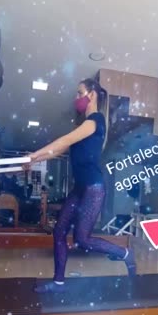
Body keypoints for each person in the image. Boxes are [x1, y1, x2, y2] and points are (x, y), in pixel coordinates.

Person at [27, 78, 136, 292]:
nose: (76, 98)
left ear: (92, 94)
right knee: (59, 231)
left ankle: (125, 253)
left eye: (80, 93)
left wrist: (34, 155)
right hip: (79, 188)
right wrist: (34, 159)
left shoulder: (95, 121)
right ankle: (58, 282)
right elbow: (58, 150)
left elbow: (64, 140)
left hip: (94, 188)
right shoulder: (83, 126)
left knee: (82, 239)